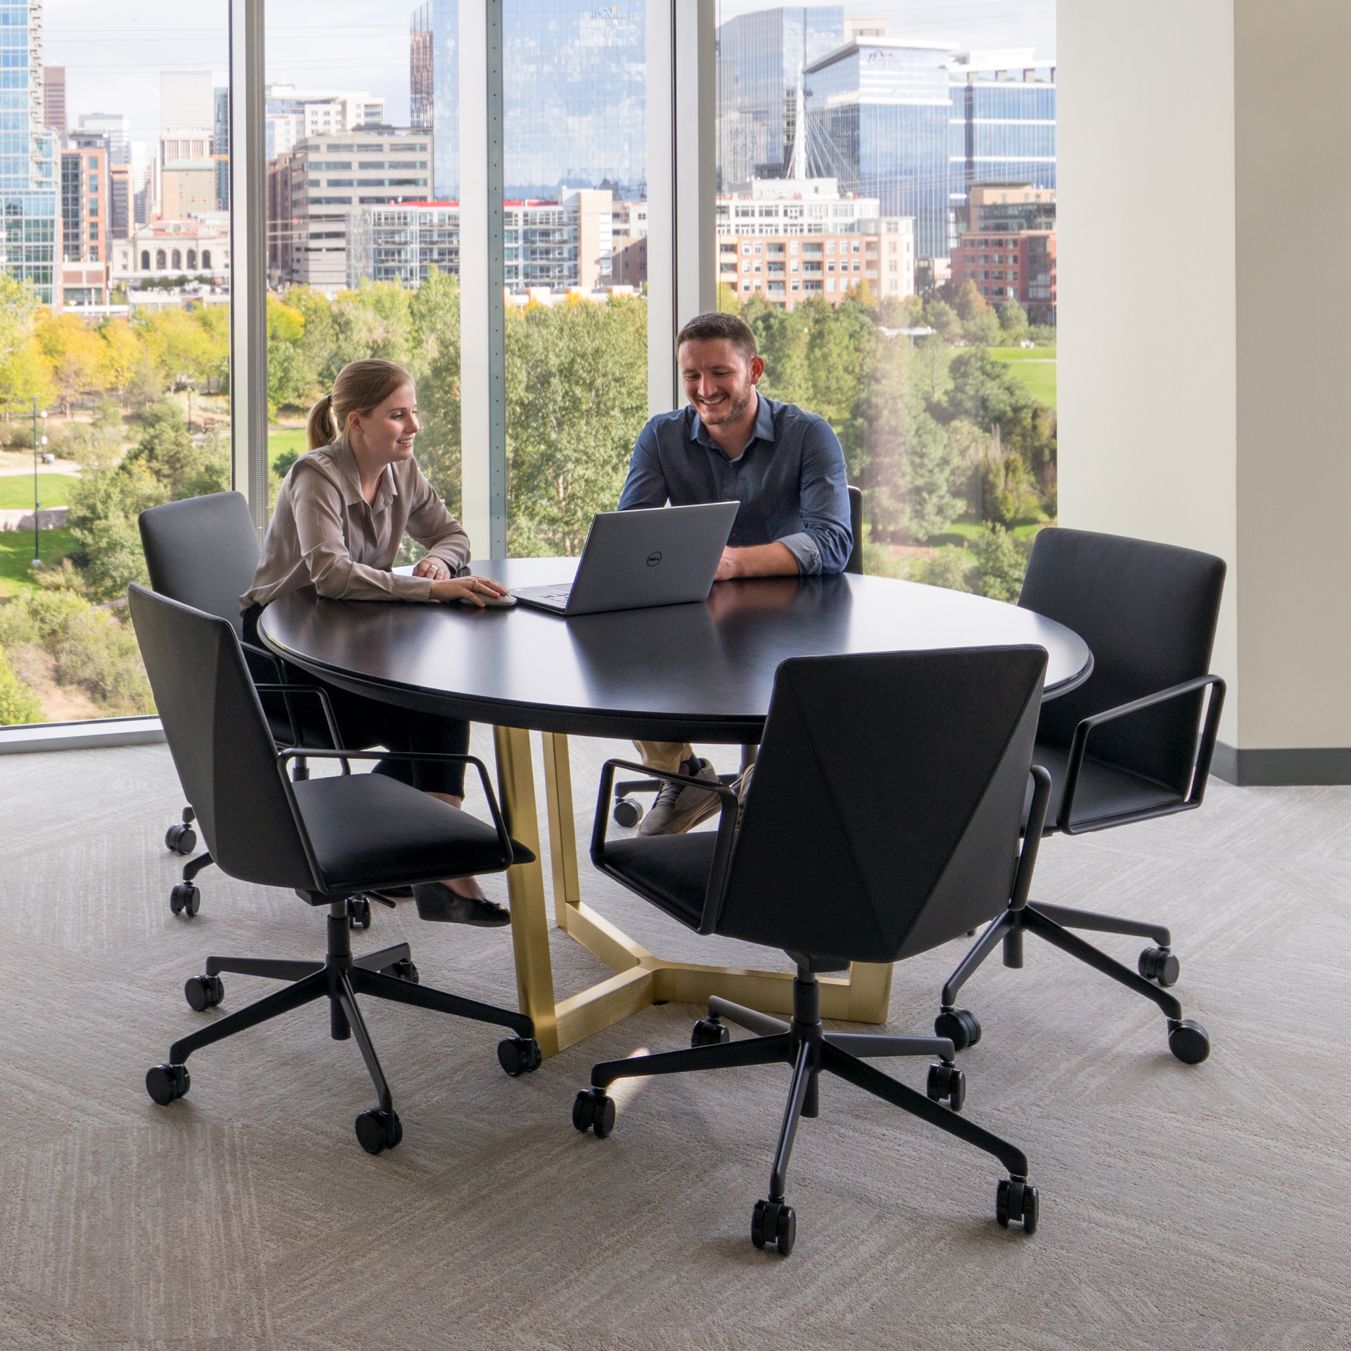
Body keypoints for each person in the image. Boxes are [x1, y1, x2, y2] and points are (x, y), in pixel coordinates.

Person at [242, 358, 513, 926]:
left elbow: (452, 532)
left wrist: (438, 561)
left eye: (413, 411)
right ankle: (434, 862)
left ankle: (433, 861)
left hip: (348, 642)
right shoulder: (314, 476)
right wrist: (432, 592)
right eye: (398, 414)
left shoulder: (400, 471)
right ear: (357, 422)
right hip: (281, 659)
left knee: (438, 700)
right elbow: (332, 576)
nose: (412, 425)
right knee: (427, 714)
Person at [617, 312, 852, 835]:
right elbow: (631, 533)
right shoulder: (661, 435)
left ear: (755, 370)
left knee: (802, 694)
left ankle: (770, 789)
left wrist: (732, 563)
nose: (705, 390)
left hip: (795, 614)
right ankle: (683, 775)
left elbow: (833, 541)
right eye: (692, 376)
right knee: (615, 642)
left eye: (720, 373)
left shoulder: (809, 435)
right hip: (700, 610)